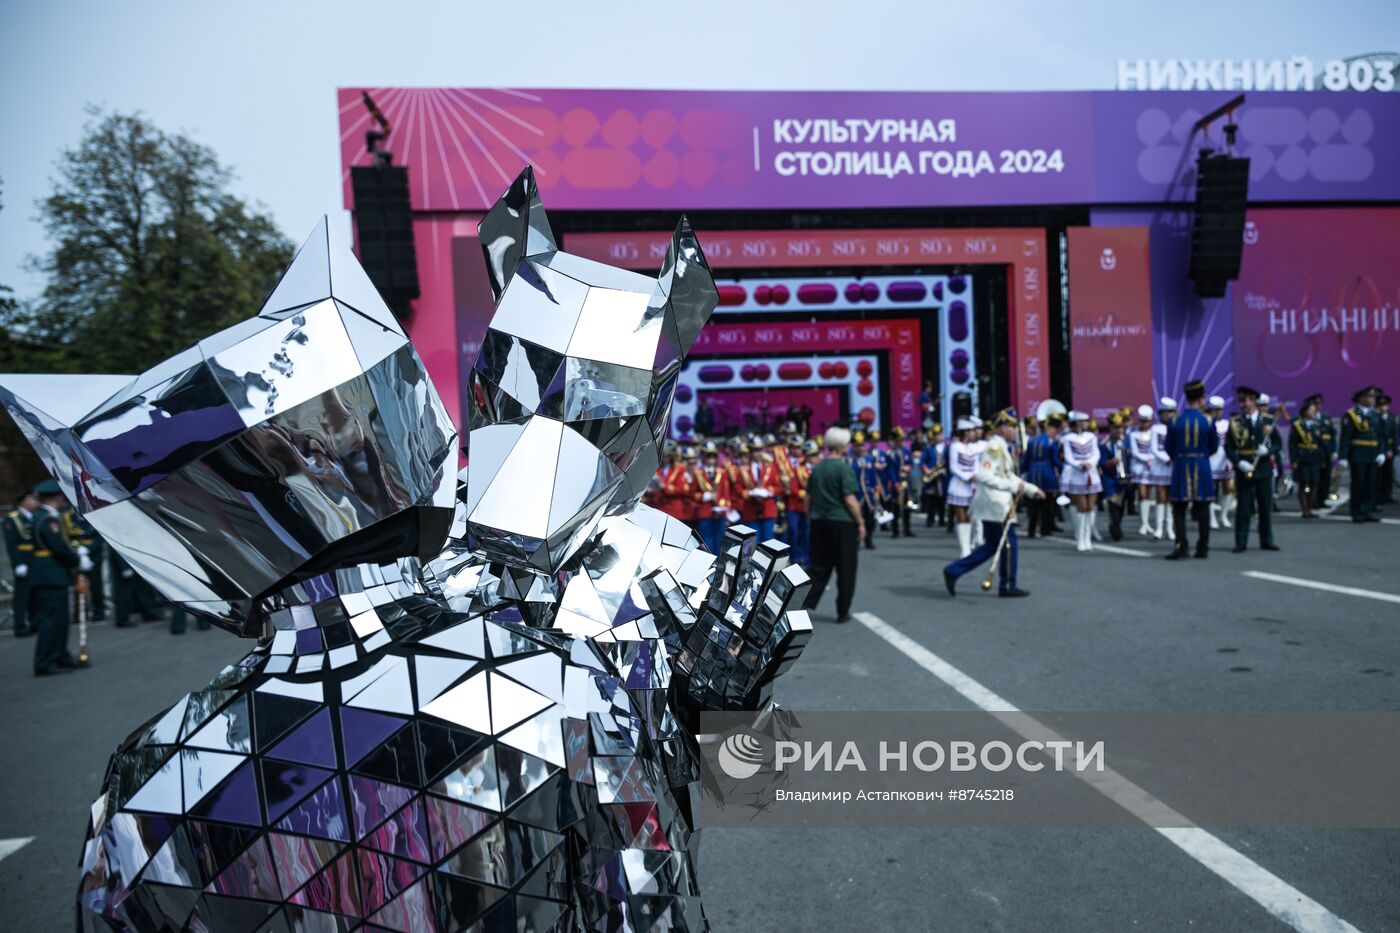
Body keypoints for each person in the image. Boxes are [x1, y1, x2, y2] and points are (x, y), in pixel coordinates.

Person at [943, 409, 1044, 597]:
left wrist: (1030, 489)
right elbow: (984, 476)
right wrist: (1013, 488)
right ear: (1002, 428)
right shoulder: (994, 448)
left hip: (995, 503)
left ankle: (954, 570)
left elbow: (1007, 475)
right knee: (1007, 545)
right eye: (1012, 427)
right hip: (995, 504)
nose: (1015, 431)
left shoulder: (1000, 447)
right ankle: (1007, 585)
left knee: (992, 546)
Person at [28, 479, 93, 676]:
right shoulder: (47, 520)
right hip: (49, 576)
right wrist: (77, 561)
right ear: (57, 497)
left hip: (54, 574)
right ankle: (44, 662)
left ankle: (59, 655)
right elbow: (58, 548)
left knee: (60, 620)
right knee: (51, 621)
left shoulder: (48, 517)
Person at [801, 427, 866, 624]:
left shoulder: (818, 468)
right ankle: (842, 611)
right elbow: (850, 500)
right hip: (842, 523)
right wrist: (861, 523)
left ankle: (802, 603)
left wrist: (812, 517)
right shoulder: (843, 468)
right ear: (842, 447)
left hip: (820, 521)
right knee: (846, 568)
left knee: (819, 568)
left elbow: (808, 499)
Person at [1164, 380, 1219, 560]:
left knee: (1179, 508)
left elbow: (1168, 447)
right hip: (1201, 465)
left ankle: (1181, 545)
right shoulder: (1208, 420)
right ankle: (1203, 547)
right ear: (1202, 398)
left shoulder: (1175, 421)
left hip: (1181, 464)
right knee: (1203, 507)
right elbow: (1214, 446)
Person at [1225, 385, 1281, 551]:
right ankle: (1241, 542)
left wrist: (1268, 450)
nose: (1244, 404)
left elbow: (1277, 443)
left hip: (1263, 468)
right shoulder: (1235, 422)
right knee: (1243, 508)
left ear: (1255, 401)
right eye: (1241, 401)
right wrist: (1239, 462)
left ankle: (1266, 540)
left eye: (1247, 400)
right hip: (1244, 469)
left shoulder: (1268, 420)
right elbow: (1228, 447)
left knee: (1264, 507)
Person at [1338, 385, 1385, 523]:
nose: (1373, 399)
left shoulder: (1376, 414)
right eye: (1370, 396)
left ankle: (1368, 510)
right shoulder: (1351, 415)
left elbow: (1381, 436)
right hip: (1358, 454)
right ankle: (1356, 511)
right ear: (1361, 398)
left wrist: (1381, 452)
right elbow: (1345, 438)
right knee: (1358, 483)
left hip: (1373, 454)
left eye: (1373, 397)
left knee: (1371, 484)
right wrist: (1343, 457)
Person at [1060, 411, 1102, 552]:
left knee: (1091, 506)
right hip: (1077, 474)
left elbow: (1096, 453)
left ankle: (1088, 537)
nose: (1086, 423)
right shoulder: (1068, 438)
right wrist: (1080, 464)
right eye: (1083, 421)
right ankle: (1080, 537)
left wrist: (1090, 462)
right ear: (1077, 422)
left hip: (1091, 473)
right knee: (1081, 507)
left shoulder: (1091, 436)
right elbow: (1068, 456)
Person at [61, 506, 106, 622]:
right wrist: (77, 551)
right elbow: (66, 537)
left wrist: (89, 550)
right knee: (79, 584)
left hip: (94, 554)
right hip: (78, 554)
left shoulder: (94, 513)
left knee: (96, 585)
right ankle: (80, 613)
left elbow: (100, 536)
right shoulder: (68, 516)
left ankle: (99, 611)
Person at [3, 489, 39, 637]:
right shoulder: (13, 518)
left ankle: (35, 622)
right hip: (23, 560)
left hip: (37, 559)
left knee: (36, 594)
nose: (36, 501)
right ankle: (20, 625)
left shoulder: (36, 516)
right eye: (33, 498)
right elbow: (11, 544)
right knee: (22, 595)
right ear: (24, 500)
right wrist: (18, 563)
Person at [1288, 395, 1329, 519]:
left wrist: (1323, 459)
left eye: (1313, 410)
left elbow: (1321, 444)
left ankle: (1310, 508)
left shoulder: (1318, 425)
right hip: (1303, 458)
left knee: (1314, 484)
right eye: (1310, 410)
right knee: (1303, 484)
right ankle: (1304, 509)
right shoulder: (1297, 425)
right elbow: (1292, 444)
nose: (1313, 412)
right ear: (1305, 412)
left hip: (1315, 458)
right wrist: (1293, 460)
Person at [1023, 415, 1061, 538]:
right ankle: (1045, 528)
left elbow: (1026, 460)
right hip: (1046, 472)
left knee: (1034, 501)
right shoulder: (1052, 442)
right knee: (1047, 501)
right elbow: (1055, 460)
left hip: (1033, 472)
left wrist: (1024, 472)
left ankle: (1031, 529)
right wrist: (1063, 469)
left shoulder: (1032, 440)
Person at [947, 419, 981, 557]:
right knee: (961, 517)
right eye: (971, 431)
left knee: (969, 516)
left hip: (971, 486)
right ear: (965, 433)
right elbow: (953, 467)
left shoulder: (973, 447)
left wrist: (976, 476)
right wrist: (968, 476)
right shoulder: (955, 446)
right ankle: (964, 549)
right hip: (959, 485)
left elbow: (977, 464)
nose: (974, 433)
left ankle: (969, 545)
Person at [1149, 398, 1177, 540]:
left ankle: (1170, 528)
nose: (1168, 415)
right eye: (1165, 413)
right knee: (1160, 497)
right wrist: (1167, 458)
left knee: (1171, 498)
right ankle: (1158, 528)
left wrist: (1174, 458)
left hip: (1173, 467)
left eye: (1171, 412)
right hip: (1161, 466)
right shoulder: (1155, 428)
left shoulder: (1177, 426)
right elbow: (1154, 448)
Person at [1205, 396, 1234, 528]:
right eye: (1214, 410)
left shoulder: (1228, 424)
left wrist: (1229, 459)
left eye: (1219, 410)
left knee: (1227, 488)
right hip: (1211, 458)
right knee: (1211, 488)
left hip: (1225, 459)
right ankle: (1211, 518)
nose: (1217, 412)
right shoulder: (1206, 423)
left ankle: (1223, 516)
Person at [1100, 413, 1129, 541]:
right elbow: (1101, 463)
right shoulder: (1104, 444)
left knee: (1121, 506)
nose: (1119, 430)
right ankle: (1116, 529)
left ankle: (1116, 524)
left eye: (1121, 427)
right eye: (1116, 428)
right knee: (1112, 505)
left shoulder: (1126, 442)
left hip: (1123, 478)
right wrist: (1111, 462)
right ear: (1110, 429)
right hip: (1109, 478)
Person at [887, 427, 916, 537]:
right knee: (895, 507)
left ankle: (907, 529)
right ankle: (895, 530)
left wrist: (909, 467)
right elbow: (891, 470)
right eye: (899, 439)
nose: (901, 441)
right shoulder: (890, 453)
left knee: (908, 505)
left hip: (907, 481)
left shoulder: (905, 451)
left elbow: (910, 463)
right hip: (897, 482)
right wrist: (895, 483)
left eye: (902, 439)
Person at [920, 424, 947, 528]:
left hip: (942, 477)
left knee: (942, 499)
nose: (938, 437)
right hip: (931, 477)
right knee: (930, 499)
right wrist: (926, 470)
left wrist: (946, 470)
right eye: (936, 435)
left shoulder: (947, 448)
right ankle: (930, 519)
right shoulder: (928, 448)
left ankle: (941, 519)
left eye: (939, 434)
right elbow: (922, 462)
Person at [1378, 392, 1396, 505]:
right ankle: (1378, 496)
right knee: (1378, 475)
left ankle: (1387, 494)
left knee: (1389, 474)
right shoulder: (1376, 417)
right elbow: (1380, 436)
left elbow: (1394, 435)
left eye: (1386, 405)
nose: (1384, 407)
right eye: (1381, 405)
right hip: (1380, 449)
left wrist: (1393, 449)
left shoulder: (1391, 417)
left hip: (1390, 449)